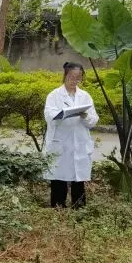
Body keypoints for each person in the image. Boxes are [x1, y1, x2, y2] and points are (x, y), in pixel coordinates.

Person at [43, 61, 99, 208]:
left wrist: (85, 115)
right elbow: (49, 115)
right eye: (72, 77)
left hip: (79, 143)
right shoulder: (54, 95)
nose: (74, 81)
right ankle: (58, 210)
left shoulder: (85, 96)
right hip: (60, 143)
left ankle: (79, 211)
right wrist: (63, 114)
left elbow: (93, 120)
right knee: (58, 179)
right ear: (65, 75)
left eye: (78, 77)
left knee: (78, 180)